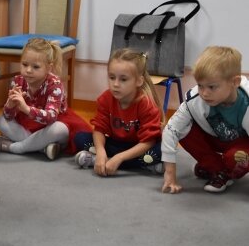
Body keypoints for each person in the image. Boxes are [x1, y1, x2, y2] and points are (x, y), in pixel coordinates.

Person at [160, 46, 249, 194]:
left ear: (235, 82)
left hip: (241, 143)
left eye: (212, 87)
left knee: (238, 157)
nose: (204, 93)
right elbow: (171, 130)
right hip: (214, 138)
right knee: (182, 129)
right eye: (200, 85)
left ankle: (220, 172)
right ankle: (215, 168)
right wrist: (169, 175)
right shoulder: (194, 99)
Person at [0, 37, 91, 160]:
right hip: (28, 125)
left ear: (48, 68)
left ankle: (17, 147)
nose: (28, 70)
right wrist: (10, 106)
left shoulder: (55, 84)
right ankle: (41, 147)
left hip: (50, 125)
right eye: (24, 64)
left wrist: (27, 109)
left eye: (35, 67)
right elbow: (8, 116)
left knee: (61, 130)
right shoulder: (17, 81)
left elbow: (51, 117)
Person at [73, 48, 164, 176]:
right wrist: (100, 152)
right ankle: (144, 166)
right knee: (80, 138)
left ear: (138, 81)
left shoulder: (146, 104)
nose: (115, 84)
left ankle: (97, 161)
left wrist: (119, 158)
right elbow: (99, 128)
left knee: (161, 150)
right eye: (111, 77)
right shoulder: (105, 98)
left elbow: (148, 141)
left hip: (139, 147)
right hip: (115, 145)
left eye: (123, 79)